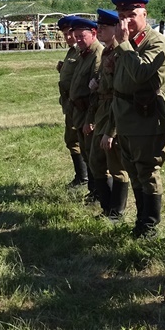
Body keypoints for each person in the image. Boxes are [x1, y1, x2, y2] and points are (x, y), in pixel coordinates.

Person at [110, 0, 165, 238]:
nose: (126, 21)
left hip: (145, 117)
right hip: (125, 116)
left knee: (147, 170)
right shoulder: (125, 42)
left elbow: (141, 72)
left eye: (132, 15)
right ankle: (141, 220)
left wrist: (124, 44)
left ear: (145, 15)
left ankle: (151, 224)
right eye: (122, 16)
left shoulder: (154, 41)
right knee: (133, 170)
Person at [90, 9, 130, 219]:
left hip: (115, 111)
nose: (99, 31)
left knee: (116, 164)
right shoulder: (106, 52)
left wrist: (112, 130)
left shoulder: (119, 53)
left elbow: (120, 90)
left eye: (104, 27)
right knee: (96, 160)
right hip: (102, 111)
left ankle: (117, 211)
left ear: (116, 29)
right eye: (99, 27)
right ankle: (107, 207)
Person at [68, 16, 104, 204]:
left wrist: (91, 120)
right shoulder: (84, 53)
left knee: (94, 155)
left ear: (93, 34)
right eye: (76, 36)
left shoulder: (97, 54)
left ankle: (99, 193)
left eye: (82, 36)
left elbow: (96, 93)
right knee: (86, 152)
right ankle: (93, 191)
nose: (78, 40)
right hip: (79, 112)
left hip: (89, 113)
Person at [56, 16, 87, 188]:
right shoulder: (72, 51)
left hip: (79, 105)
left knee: (78, 142)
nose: (68, 37)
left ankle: (85, 178)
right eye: (65, 34)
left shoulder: (82, 51)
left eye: (70, 33)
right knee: (71, 140)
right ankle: (81, 176)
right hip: (70, 103)